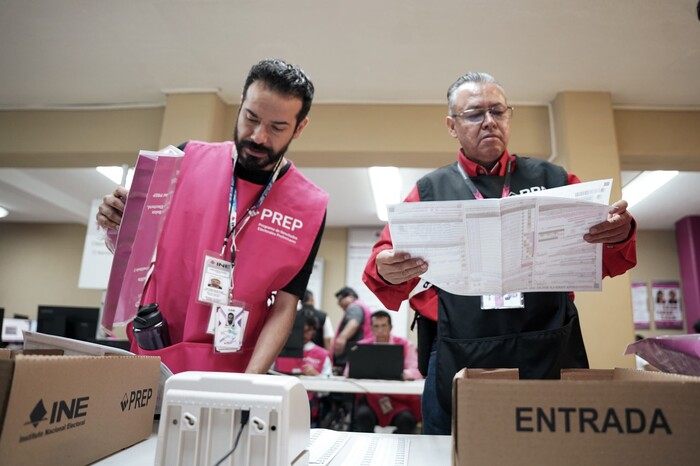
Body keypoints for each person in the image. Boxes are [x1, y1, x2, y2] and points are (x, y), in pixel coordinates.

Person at [362, 72, 637, 435]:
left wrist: (619, 234)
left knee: (555, 455)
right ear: (452, 125)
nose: (489, 121)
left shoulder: (555, 179)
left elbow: (604, 255)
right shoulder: (429, 190)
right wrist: (386, 270)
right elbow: (382, 261)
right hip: (460, 353)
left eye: (498, 111)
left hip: (549, 348)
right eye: (475, 113)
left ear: (509, 116)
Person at [97, 58, 328, 374]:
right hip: (155, 353)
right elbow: (131, 247)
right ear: (240, 107)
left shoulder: (310, 206)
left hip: (234, 366)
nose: (259, 136)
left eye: (277, 127)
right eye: (251, 118)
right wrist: (114, 223)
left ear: (299, 127)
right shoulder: (185, 159)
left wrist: (249, 384)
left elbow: (285, 307)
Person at [352, 310, 422, 434]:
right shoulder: (361, 347)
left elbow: (416, 370)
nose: (380, 330)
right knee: (362, 415)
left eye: (384, 326)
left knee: (407, 419)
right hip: (371, 397)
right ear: (371, 328)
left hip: (398, 399)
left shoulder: (405, 344)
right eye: (376, 326)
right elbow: (349, 371)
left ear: (391, 327)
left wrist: (404, 374)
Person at [275, 314, 332, 426]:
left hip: (309, 407)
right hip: (280, 403)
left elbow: (328, 388)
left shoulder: (322, 354)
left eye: (307, 330)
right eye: (300, 330)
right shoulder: (279, 351)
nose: (303, 334)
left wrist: (316, 375)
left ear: (313, 332)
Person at [332, 286, 373, 373]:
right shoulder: (362, 306)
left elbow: (354, 322)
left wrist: (342, 338)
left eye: (340, 300)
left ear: (350, 296)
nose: (339, 304)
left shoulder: (354, 306)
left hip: (352, 356)